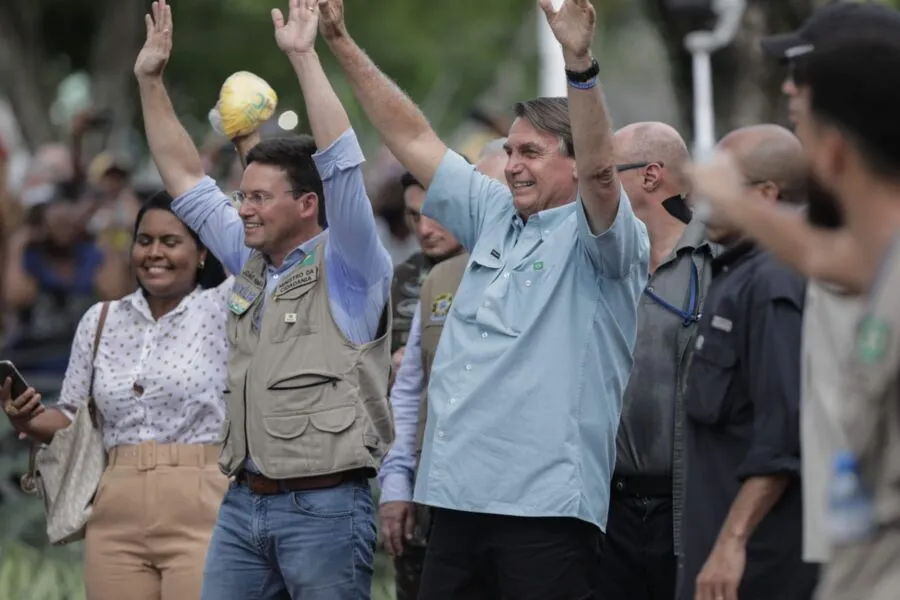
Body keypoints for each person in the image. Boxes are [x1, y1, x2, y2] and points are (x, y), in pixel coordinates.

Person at [319, 0, 649, 596]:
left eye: (531, 152)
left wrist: (579, 62)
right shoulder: (494, 213)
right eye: (511, 152)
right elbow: (411, 135)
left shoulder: (601, 235)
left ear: (574, 165)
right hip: (454, 499)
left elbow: (603, 174)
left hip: (545, 510)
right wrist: (342, 42)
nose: (513, 167)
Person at [133, 1, 393, 598]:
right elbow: (181, 175)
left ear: (307, 204)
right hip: (244, 502)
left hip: (325, 508)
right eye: (241, 197)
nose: (242, 209)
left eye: (258, 199)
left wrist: (304, 56)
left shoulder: (350, 261)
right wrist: (150, 80)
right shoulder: (249, 257)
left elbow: (342, 164)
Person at [691, 30, 900, 600]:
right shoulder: (864, 264)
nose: (788, 95)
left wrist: (732, 198)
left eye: (803, 118)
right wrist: (734, 201)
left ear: (832, 153)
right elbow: (821, 255)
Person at [3, 191, 231, 600]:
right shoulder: (101, 319)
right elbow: (69, 415)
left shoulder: (222, 310)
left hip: (204, 501)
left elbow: (255, 256)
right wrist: (26, 418)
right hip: (115, 505)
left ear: (201, 253)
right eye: (144, 241)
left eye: (170, 242)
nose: (154, 252)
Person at [678, 125, 819, 600]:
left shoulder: (775, 279)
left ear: (765, 194)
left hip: (753, 568)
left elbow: (782, 435)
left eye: (720, 183)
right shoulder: (739, 269)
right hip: (717, 551)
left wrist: (732, 542)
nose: (703, 195)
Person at [379, 142, 507, 600]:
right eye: (415, 217)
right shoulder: (417, 279)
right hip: (431, 488)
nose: (426, 228)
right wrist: (396, 483)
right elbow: (407, 390)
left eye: (437, 212)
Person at [597, 122, 717, 600]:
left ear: (650, 177)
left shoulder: (719, 262)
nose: (593, 187)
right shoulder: (603, 264)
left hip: (688, 510)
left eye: (605, 173)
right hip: (607, 510)